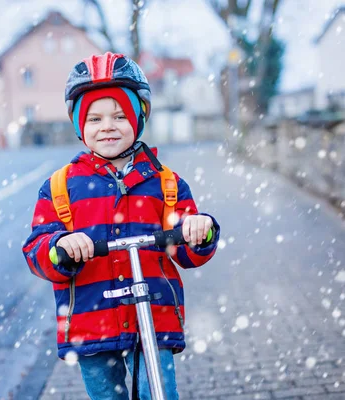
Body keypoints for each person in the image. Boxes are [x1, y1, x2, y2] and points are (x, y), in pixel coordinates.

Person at [22, 52, 220, 400]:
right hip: (90, 320)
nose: (107, 126)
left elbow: (187, 251)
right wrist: (59, 249)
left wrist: (198, 231)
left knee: (157, 392)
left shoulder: (165, 183)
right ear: (80, 126)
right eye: (95, 118)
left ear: (138, 119)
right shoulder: (59, 187)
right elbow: (37, 249)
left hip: (154, 317)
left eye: (119, 116)